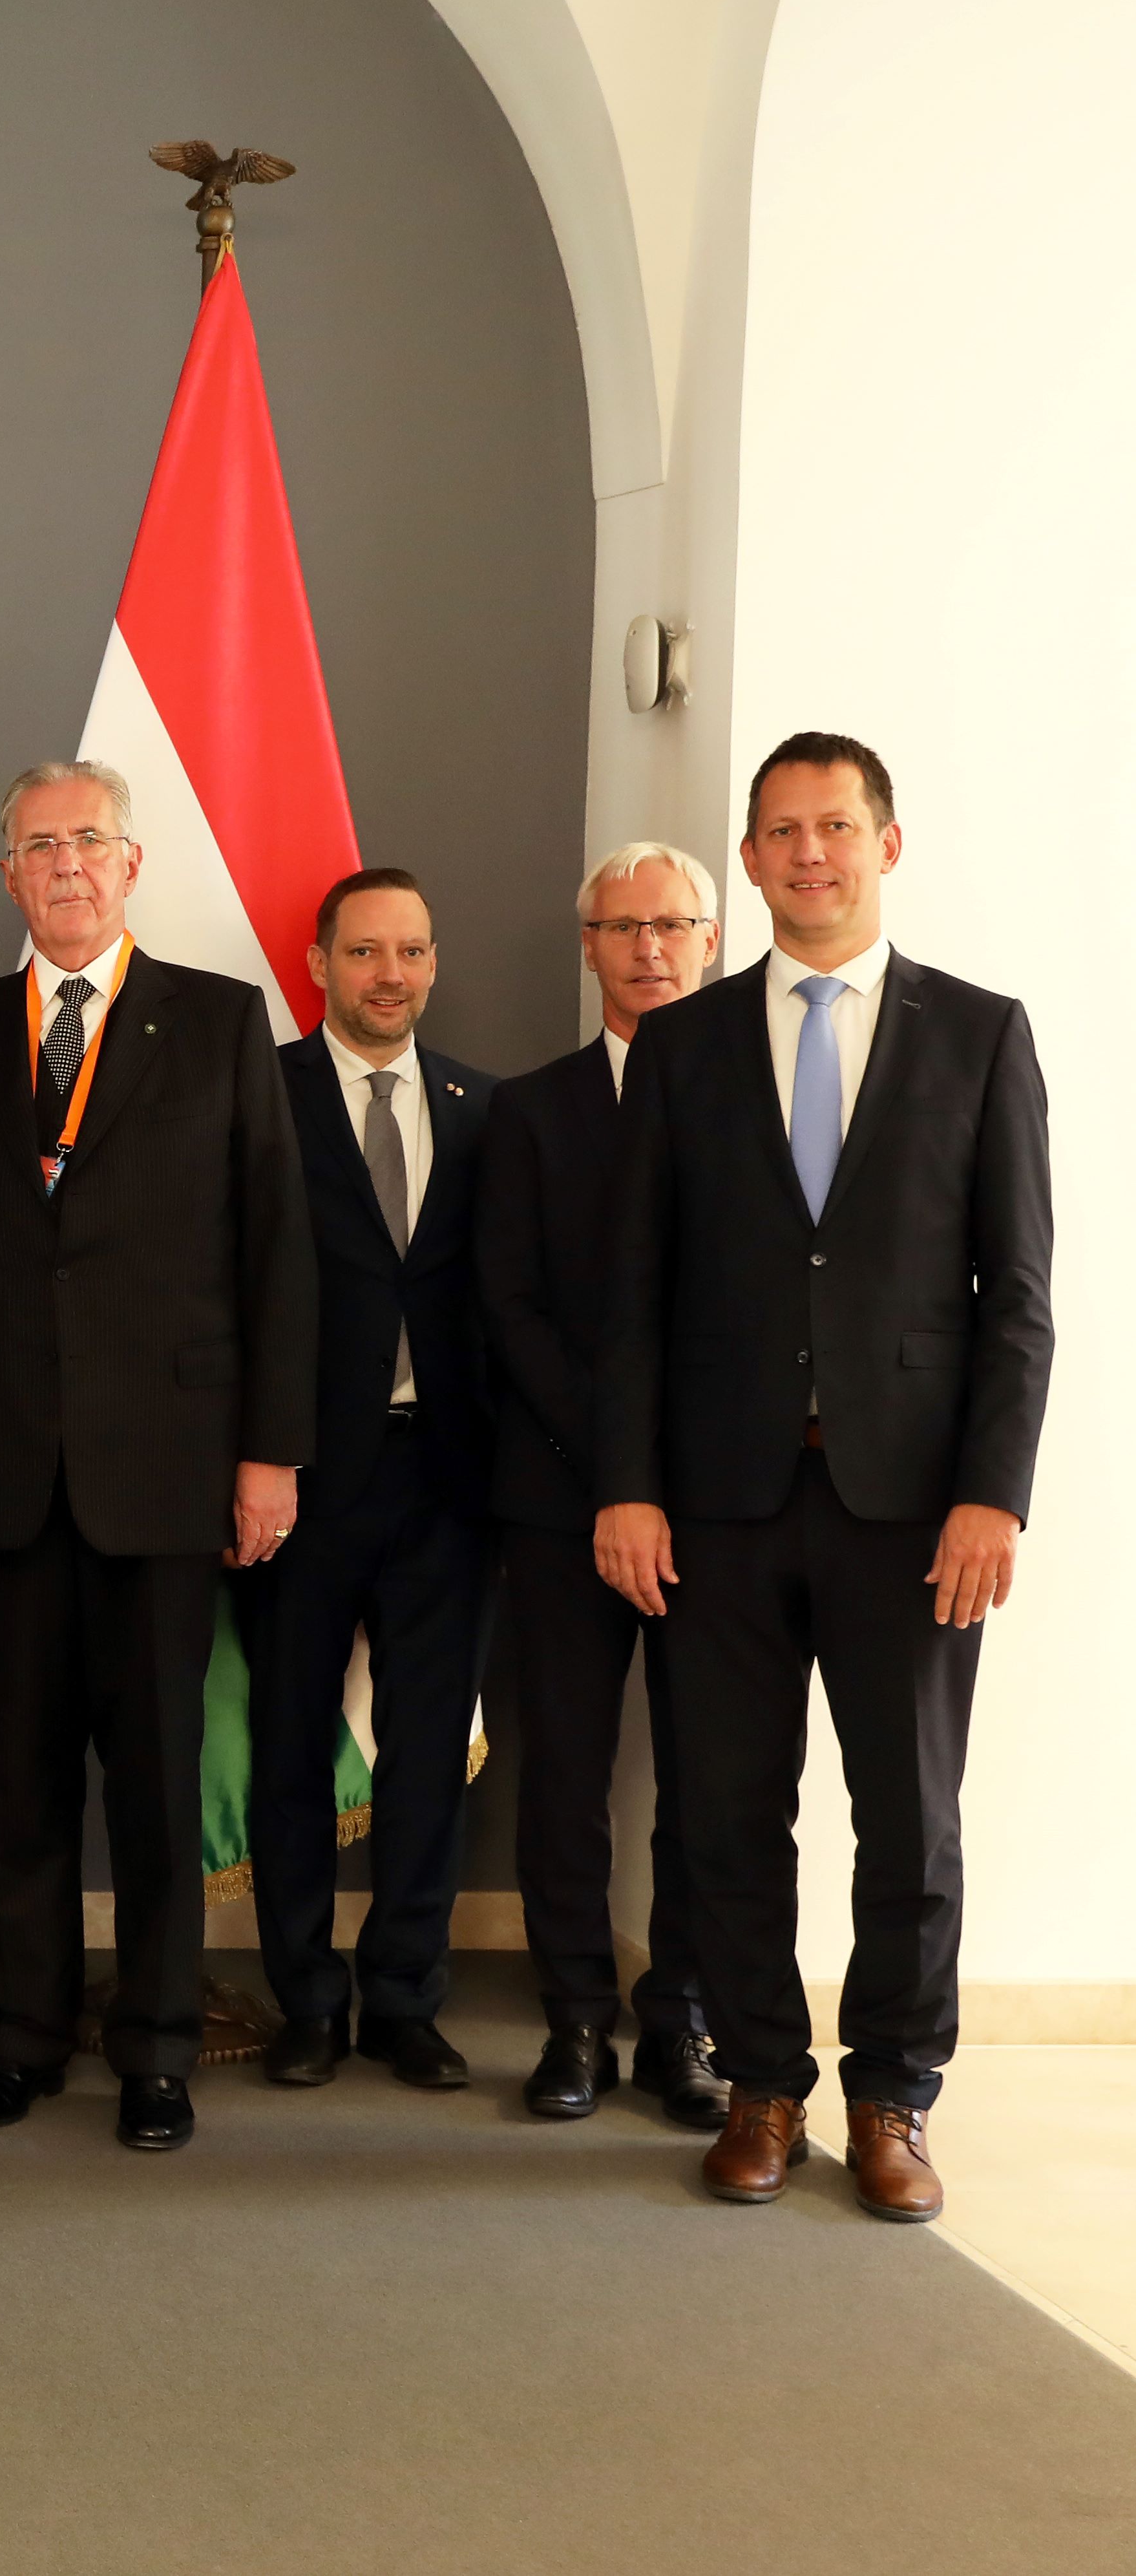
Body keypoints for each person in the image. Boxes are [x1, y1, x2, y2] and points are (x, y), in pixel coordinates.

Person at [600, 733, 1051, 2221]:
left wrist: (992, 1491)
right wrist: (626, 1484)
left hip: (913, 1509)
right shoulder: (679, 1046)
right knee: (728, 1814)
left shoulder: (978, 1034)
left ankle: (892, 2095)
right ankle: (762, 2085)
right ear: (747, 859)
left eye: (835, 825)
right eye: (781, 829)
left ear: (885, 843)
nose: (809, 851)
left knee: (909, 1819)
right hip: (716, 1501)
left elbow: (1016, 1294)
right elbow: (633, 1296)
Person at [0, 763, 313, 2154]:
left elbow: (275, 1251)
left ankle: (158, 2049)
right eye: (39, 844)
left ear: (131, 864)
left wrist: (271, 1456)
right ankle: (20, 2037)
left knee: (158, 1783)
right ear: (7, 873)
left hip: (168, 1473)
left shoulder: (220, 1019)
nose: (65, 864)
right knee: (27, 1784)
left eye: (88, 841)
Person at [479, 842, 727, 2126]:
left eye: (670, 925)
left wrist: (672, 1472)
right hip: (561, 1495)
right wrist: (619, 1464)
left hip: (719, 1501)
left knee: (705, 1776)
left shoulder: (757, 1101)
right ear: (588, 947)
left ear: (711, 939)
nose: (648, 949)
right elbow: (509, 1307)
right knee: (566, 1774)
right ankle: (575, 2016)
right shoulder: (528, 1111)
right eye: (622, 928)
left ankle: (680, 2019)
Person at [242, 869, 492, 2094]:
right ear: (318, 963)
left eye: (412, 951)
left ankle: (404, 1999)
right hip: (299, 1476)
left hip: (447, 1480)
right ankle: (307, 2000)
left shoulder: (483, 1106)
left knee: (428, 1752)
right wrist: (255, 1456)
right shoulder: (260, 1093)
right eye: (365, 952)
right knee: (290, 1743)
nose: (391, 974)